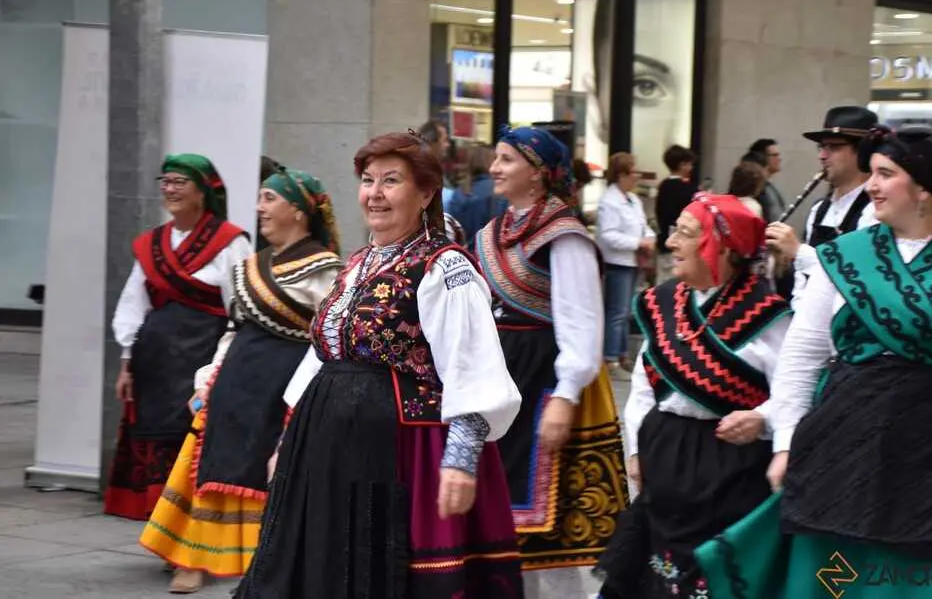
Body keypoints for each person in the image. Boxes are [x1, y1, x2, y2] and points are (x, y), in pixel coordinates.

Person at [696, 125, 932, 598]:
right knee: (835, 579)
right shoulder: (843, 258)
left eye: (885, 173)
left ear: (925, 187)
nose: (870, 185)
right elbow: (803, 355)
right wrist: (786, 441)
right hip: (841, 445)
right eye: (871, 172)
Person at [237, 131, 524, 599]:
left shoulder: (445, 267)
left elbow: (472, 366)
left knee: (382, 572)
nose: (375, 193)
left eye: (391, 181)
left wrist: (460, 461)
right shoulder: (356, 264)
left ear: (426, 192)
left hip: (402, 453)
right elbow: (322, 356)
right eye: (368, 180)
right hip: (324, 448)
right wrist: (288, 441)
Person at [138, 168, 342, 593]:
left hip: (283, 387)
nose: (259, 208)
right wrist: (210, 374)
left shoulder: (325, 270)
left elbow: (328, 338)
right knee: (208, 462)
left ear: (299, 211)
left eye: (269, 198)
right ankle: (192, 558)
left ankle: (261, 558)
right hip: (235, 378)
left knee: (263, 470)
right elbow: (234, 327)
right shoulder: (251, 265)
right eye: (260, 198)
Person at [595, 193, 791, 599]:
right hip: (665, 459)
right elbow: (645, 385)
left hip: (730, 472)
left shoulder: (766, 314)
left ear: (719, 246)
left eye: (684, 234)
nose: (671, 244)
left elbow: (797, 390)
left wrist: (763, 418)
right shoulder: (665, 301)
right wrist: (635, 451)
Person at [477, 125, 629, 599]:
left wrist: (566, 396)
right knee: (501, 524)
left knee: (550, 531)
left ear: (538, 173)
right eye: (495, 158)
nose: (493, 168)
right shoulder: (492, 232)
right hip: (500, 385)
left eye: (505, 159)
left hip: (542, 384)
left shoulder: (564, 236)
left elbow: (582, 324)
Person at [105, 154, 251, 521]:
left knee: (190, 438)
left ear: (202, 191)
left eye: (179, 182)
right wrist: (127, 363)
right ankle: (160, 520)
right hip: (154, 362)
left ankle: (189, 527)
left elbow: (242, 305)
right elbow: (133, 304)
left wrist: (231, 364)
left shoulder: (230, 242)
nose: (169, 189)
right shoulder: (152, 244)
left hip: (201, 357)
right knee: (157, 439)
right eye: (165, 181)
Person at [766, 106, 879, 304]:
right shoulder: (819, 209)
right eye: (821, 147)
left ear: (862, 153)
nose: (822, 156)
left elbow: (859, 278)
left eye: (833, 147)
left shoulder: (874, 210)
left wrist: (799, 251)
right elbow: (804, 280)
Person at [596, 152, 657, 373]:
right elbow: (608, 235)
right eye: (633, 171)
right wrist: (637, 242)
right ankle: (610, 358)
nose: (637, 176)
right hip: (617, 263)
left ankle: (622, 355)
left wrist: (649, 238)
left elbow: (644, 226)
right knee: (617, 311)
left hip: (631, 262)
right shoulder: (609, 201)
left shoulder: (633, 200)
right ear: (622, 174)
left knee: (625, 310)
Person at [655, 145, 698, 283]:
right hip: (681, 244)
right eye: (689, 164)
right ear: (682, 165)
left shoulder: (664, 186)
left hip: (664, 242)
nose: (691, 168)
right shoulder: (686, 189)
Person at [748, 138, 786, 222]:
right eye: (775, 155)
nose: (779, 159)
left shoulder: (769, 186)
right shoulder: (754, 187)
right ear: (762, 157)